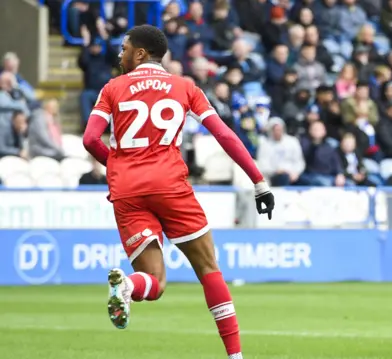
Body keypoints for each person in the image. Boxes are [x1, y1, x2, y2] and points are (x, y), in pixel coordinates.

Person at [82, 25, 275, 359]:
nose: (120, 53)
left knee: (153, 282)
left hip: (127, 191)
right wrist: (258, 181)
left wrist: (117, 166)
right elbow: (225, 135)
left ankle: (129, 285)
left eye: (125, 47)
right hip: (170, 186)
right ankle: (235, 357)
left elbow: (89, 140)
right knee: (208, 269)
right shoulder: (185, 86)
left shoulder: (112, 88)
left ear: (140, 53)